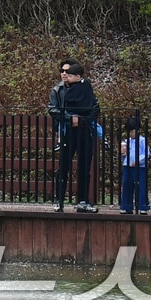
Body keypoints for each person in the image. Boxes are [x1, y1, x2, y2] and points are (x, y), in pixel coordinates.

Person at [49, 59, 99, 213]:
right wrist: (70, 118)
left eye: (68, 71)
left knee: (84, 166)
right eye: (62, 71)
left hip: (84, 130)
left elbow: (95, 107)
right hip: (67, 130)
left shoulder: (85, 88)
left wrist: (82, 120)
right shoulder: (57, 90)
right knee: (63, 166)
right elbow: (53, 109)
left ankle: (83, 201)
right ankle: (59, 200)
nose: (65, 74)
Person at [119, 114, 149, 215]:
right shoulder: (126, 141)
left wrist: (138, 160)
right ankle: (126, 206)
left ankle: (142, 207)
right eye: (129, 132)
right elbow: (123, 156)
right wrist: (122, 154)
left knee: (141, 187)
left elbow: (146, 153)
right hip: (127, 166)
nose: (130, 134)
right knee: (127, 185)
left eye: (132, 132)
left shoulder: (142, 140)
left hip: (140, 167)